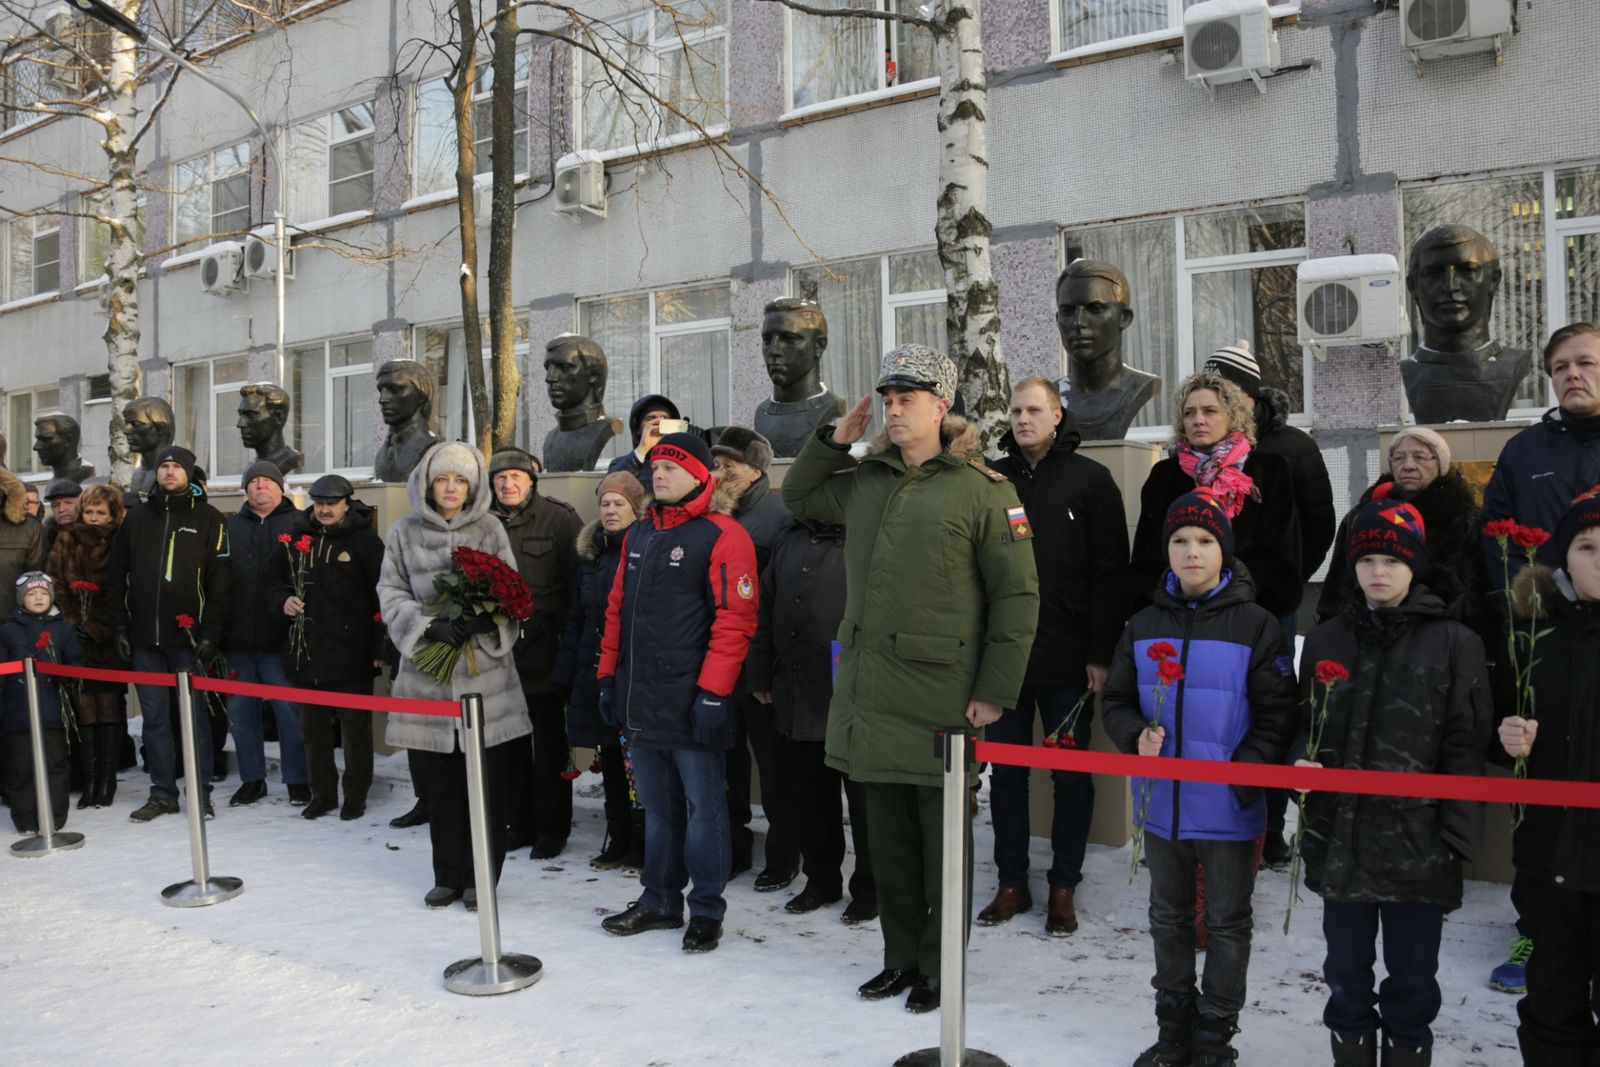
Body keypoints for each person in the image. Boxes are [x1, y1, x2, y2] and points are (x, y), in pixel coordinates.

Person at [782, 344, 1039, 1014]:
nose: (894, 412)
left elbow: (1016, 597)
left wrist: (994, 690)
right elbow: (799, 494)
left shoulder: (985, 490)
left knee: (941, 845)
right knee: (888, 844)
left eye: (908, 400)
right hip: (872, 690)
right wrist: (832, 440)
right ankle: (899, 958)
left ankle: (938, 966)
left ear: (941, 406)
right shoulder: (866, 480)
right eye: (888, 400)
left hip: (942, 695)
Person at [1294, 494, 1490, 1067]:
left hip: (1418, 846)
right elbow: (1302, 722)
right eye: (1366, 559)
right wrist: (1299, 765)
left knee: (1412, 978)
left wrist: (1456, 839)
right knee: (1344, 972)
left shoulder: (1455, 642)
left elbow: (1465, 745)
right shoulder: (1326, 638)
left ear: (1415, 565)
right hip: (1341, 838)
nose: (1378, 572)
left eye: (1393, 560)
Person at [1102, 491, 1296, 1067]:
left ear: (1224, 551)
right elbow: (1116, 700)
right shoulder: (1141, 624)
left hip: (1229, 806)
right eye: (1181, 541)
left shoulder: (1256, 625)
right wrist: (1134, 734)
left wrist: (1246, 772)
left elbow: (1279, 712)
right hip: (1162, 804)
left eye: (1206, 541)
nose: (1192, 551)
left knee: (1228, 922)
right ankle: (1173, 1030)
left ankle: (1214, 1038)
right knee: (1168, 917)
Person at [596, 433, 759, 954]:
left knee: (704, 810)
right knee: (658, 809)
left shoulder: (723, 534)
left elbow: (735, 621)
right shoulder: (640, 534)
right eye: (656, 466)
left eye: (671, 466)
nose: (658, 474)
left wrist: (713, 694)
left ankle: (706, 909)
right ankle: (659, 900)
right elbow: (616, 611)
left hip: (693, 701)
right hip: (641, 697)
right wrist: (607, 677)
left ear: (699, 475)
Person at [979, 376, 1130, 935]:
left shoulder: (1091, 480)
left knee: (1070, 777)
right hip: (1006, 658)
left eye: (1034, 410)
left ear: (1057, 415)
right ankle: (1012, 883)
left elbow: (1111, 572)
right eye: (1016, 410)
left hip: (1070, 658)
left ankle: (1064, 885)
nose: (1023, 419)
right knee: (1007, 776)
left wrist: (1100, 652)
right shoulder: (991, 478)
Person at [1479, 322, 1600, 992]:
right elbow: (1493, 538)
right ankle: (1536, 930)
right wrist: (1529, 603)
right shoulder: (1525, 451)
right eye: (1560, 367)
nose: (1572, 374)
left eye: (1586, 362)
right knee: (1542, 789)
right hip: (1545, 641)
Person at [378, 443, 530, 909]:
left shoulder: (490, 528)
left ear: (472, 487)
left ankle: (480, 879)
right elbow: (390, 591)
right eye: (442, 479)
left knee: (487, 787)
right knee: (440, 786)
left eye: (460, 480)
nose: (450, 488)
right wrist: (428, 627)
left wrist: (486, 620)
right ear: (427, 483)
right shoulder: (404, 532)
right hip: (429, 673)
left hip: (486, 679)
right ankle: (446, 874)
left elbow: (511, 587)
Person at [1501, 486, 1600, 1064]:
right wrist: (1507, 734)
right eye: (1587, 547)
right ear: (1564, 558)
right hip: (1550, 856)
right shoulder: (1531, 634)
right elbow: (1494, 712)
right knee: (1552, 1004)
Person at [746, 509, 876, 923]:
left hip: (856, 692)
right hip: (798, 685)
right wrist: (759, 671)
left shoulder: (872, 527)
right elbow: (765, 606)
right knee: (810, 795)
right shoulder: (792, 535)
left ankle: (870, 888)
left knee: (866, 802)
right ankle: (821, 880)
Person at [106, 446, 232, 823]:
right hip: (146, 639)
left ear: (188, 473)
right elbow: (116, 576)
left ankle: (200, 791)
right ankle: (162, 792)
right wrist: (119, 625)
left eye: (177, 466)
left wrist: (210, 634)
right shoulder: (137, 519)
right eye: (164, 466)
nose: (169, 472)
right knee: (155, 721)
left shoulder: (209, 518)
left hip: (189, 640)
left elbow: (221, 583)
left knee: (195, 721)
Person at [1129, 369, 1302, 621]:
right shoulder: (1164, 476)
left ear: (1232, 416)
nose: (1198, 420)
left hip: (1254, 612)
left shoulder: (1270, 470)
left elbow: (1282, 552)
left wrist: (1236, 596)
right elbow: (1148, 555)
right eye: (1189, 413)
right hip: (1179, 614)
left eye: (1209, 411)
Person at [711, 426, 798, 886]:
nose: (719, 472)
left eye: (730, 465)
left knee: (775, 766)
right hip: (720, 662)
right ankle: (734, 848)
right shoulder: (711, 512)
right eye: (716, 464)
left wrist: (769, 665)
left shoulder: (778, 517)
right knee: (728, 763)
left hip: (763, 664)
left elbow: (782, 597)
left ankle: (784, 856)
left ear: (756, 471)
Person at [488, 447, 582, 858]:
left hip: (545, 654)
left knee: (548, 748)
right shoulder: (482, 522)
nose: (507, 485)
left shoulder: (559, 519)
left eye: (515, 477)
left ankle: (552, 829)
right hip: (498, 656)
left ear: (531, 481)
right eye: (500, 479)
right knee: (509, 748)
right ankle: (519, 824)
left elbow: (579, 585)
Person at [274, 475, 384, 821]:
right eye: (319, 503)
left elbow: (383, 595)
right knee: (313, 730)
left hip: (352, 651)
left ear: (346, 504)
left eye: (331, 504)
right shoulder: (296, 538)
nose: (324, 510)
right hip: (308, 651)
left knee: (355, 730)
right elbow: (272, 581)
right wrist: (282, 600)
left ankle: (355, 793)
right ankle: (322, 793)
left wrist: (379, 647)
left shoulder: (366, 541)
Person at [554, 471, 647, 870]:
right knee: (609, 759)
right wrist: (566, 672)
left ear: (636, 509)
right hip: (594, 672)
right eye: (605, 503)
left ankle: (644, 843)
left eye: (619, 504)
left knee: (637, 765)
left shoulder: (645, 550)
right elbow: (577, 620)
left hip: (632, 675)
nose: (610, 510)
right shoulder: (591, 558)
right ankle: (619, 838)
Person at [1317, 427, 1491, 635]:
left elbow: (1479, 594)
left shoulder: (1464, 519)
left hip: (1441, 635)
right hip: (1369, 633)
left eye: (1420, 457)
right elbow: (1339, 584)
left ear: (1440, 464)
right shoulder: (1364, 515)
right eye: (1399, 458)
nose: (1408, 466)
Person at [221, 461, 309, 808]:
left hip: (281, 640)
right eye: (253, 481)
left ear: (280, 487)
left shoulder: (300, 524)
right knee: (241, 715)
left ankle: (297, 780)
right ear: (245, 490)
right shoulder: (229, 527)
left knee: (289, 713)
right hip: (238, 641)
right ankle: (252, 779)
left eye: (267, 481)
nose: (260, 486)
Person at [46, 484, 128, 808]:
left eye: (100, 512)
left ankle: (108, 780)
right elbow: (55, 583)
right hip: (76, 637)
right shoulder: (67, 538)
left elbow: (123, 588)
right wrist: (72, 622)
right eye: (89, 511)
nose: (93, 518)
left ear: (112, 514)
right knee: (84, 708)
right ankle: (91, 780)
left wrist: (101, 627)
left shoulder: (120, 540)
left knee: (108, 706)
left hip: (109, 637)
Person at [1, 573, 83, 834]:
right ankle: (24, 818)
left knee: (55, 764)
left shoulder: (64, 628)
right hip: (18, 711)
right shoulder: (7, 630)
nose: (38, 598)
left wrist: (65, 677)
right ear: (21, 598)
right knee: (21, 767)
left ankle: (55, 815)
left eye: (44, 593)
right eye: (31, 593)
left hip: (52, 710)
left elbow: (75, 662)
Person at [607, 394, 680, 491]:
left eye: (665, 419)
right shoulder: (620, 464)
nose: (659, 424)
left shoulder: (682, 463)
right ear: (638, 429)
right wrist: (642, 449)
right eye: (651, 419)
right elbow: (608, 491)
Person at [42, 478, 80, 555]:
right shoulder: (43, 540)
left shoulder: (94, 537)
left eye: (68, 503)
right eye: (55, 505)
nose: (61, 509)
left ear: (81, 504)